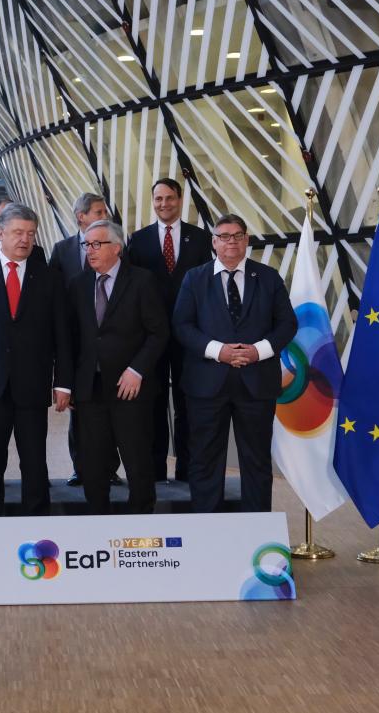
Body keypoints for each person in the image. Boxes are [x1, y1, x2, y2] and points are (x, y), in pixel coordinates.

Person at [172, 214, 298, 513]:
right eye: (224, 236)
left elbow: (287, 324)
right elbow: (181, 325)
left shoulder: (268, 277)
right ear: (214, 242)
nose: (231, 241)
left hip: (256, 384)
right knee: (204, 461)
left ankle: (257, 534)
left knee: (256, 462)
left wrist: (258, 351)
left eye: (237, 235)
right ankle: (208, 533)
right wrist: (219, 351)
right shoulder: (195, 278)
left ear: (246, 240)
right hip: (206, 385)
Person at [0, 203, 72, 516]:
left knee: (35, 461)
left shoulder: (49, 278)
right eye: (18, 232)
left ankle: (36, 524)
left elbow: (63, 335)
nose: (25, 239)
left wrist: (63, 383)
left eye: (30, 234)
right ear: (0, 232)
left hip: (32, 385)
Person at [67, 220, 168, 514]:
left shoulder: (142, 281)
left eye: (97, 244)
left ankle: (140, 522)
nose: (90, 251)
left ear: (117, 248)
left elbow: (158, 332)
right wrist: (70, 383)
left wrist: (137, 370)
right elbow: (71, 339)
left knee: (137, 460)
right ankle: (98, 520)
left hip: (130, 388)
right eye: (86, 245)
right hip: (90, 388)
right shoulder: (77, 284)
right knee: (93, 462)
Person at [125, 179, 212, 483]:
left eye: (170, 198)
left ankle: (187, 471)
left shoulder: (200, 239)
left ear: (180, 200)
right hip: (151, 336)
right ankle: (156, 472)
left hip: (190, 336)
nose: (164, 204)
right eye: (158, 199)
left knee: (188, 404)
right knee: (153, 405)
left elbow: (207, 287)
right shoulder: (138, 240)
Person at [49, 192, 121, 488]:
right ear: (81, 216)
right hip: (76, 347)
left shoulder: (116, 247)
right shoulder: (62, 250)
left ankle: (110, 467)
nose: (105, 214)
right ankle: (81, 467)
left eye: (105, 209)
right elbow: (54, 295)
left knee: (112, 412)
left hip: (111, 346)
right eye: (98, 210)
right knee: (80, 412)